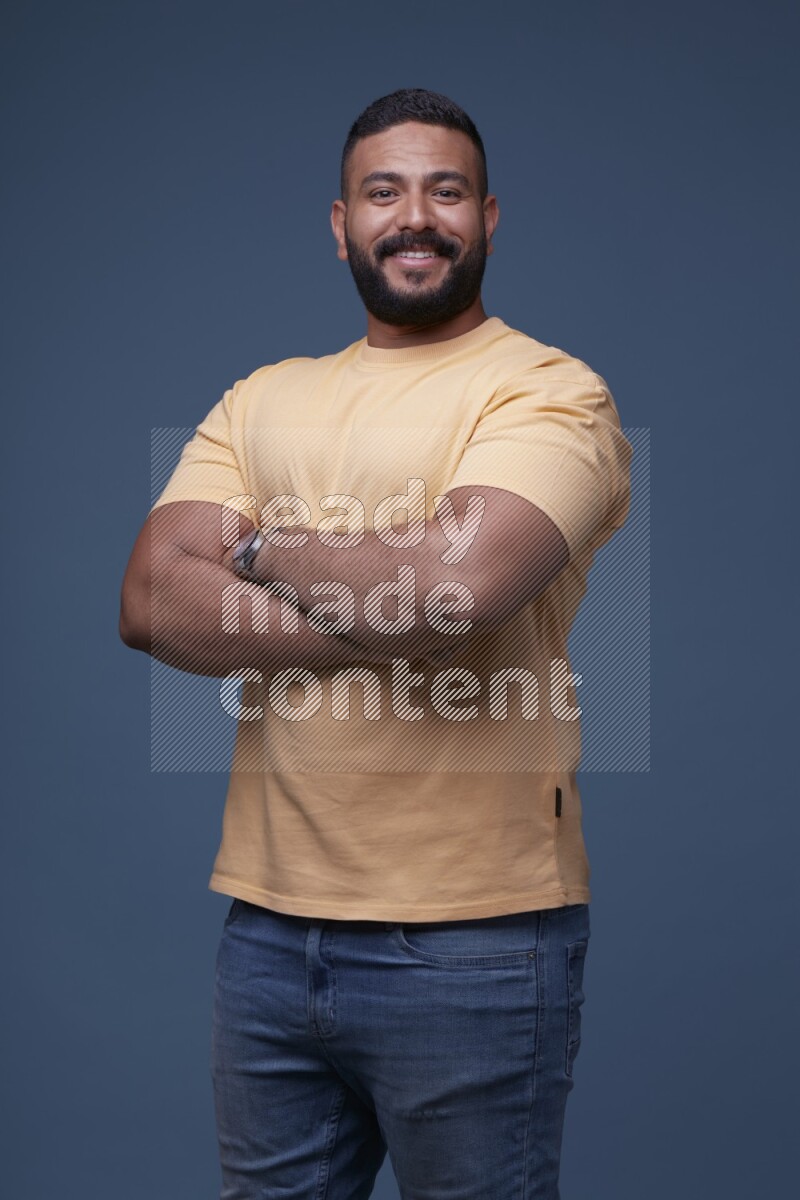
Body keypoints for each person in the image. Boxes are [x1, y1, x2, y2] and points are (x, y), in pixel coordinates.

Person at [120, 87, 632, 1200]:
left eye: (444, 191)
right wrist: (390, 617)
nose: (414, 216)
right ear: (339, 222)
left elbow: (458, 591)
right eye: (382, 192)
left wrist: (257, 547)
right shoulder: (263, 399)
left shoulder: (545, 391)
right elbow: (154, 600)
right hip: (265, 929)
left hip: (476, 943)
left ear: (488, 216)